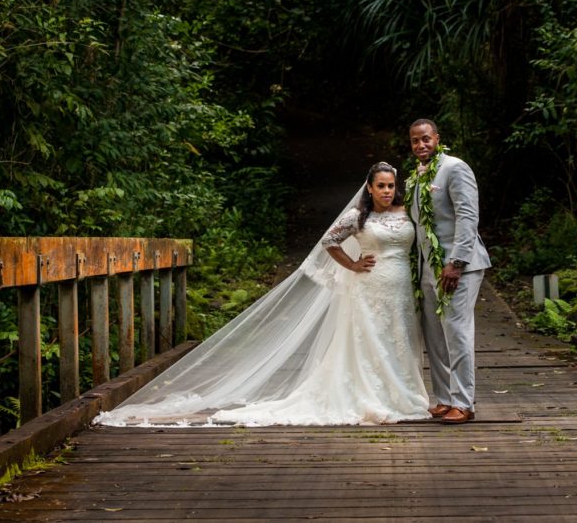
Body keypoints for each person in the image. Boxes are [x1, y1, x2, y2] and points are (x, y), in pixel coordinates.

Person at [94, 162, 430, 427]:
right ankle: (372, 397)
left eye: (390, 186)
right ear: (369, 188)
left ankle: (403, 396)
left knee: (398, 339)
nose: (387, 191)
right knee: (369, 343)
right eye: (380, 186)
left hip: (399, 287)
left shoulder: (405, 213)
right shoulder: (359, 216)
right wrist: (353, 264)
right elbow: (329, 241)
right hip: (368, 287)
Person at [406, 119, 491, 424]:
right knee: (435, 337)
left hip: (459, 268)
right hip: (427, 269)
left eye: (426, 139)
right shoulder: (414, 177)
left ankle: (464, 402)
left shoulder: (455, 168)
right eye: (415, 141)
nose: (421, 145)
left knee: (456, 332)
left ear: (437, 138)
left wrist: (456, 263)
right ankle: (443, 398)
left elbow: (468, 216)